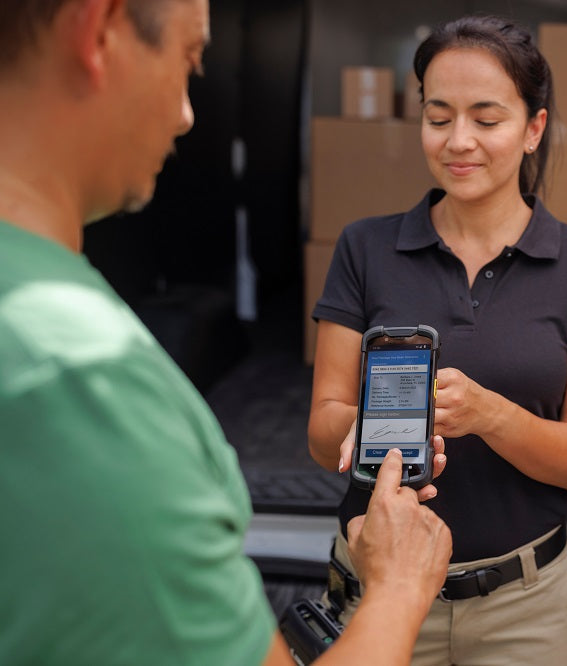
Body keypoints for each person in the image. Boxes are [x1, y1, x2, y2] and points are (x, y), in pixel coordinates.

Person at [0, 1, 451, 664]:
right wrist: (400, 583)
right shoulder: (74, 372)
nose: (187, 113)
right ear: (100, 31)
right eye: (189, 61)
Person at [308, 15, 567, 666]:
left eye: (486, 119)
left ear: (533, 128)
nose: (459, 141)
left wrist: (490, 415)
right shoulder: (365, 247)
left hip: (527, 610)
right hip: (379, 591)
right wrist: (376, 424)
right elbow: (322, 429)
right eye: (438, 116)